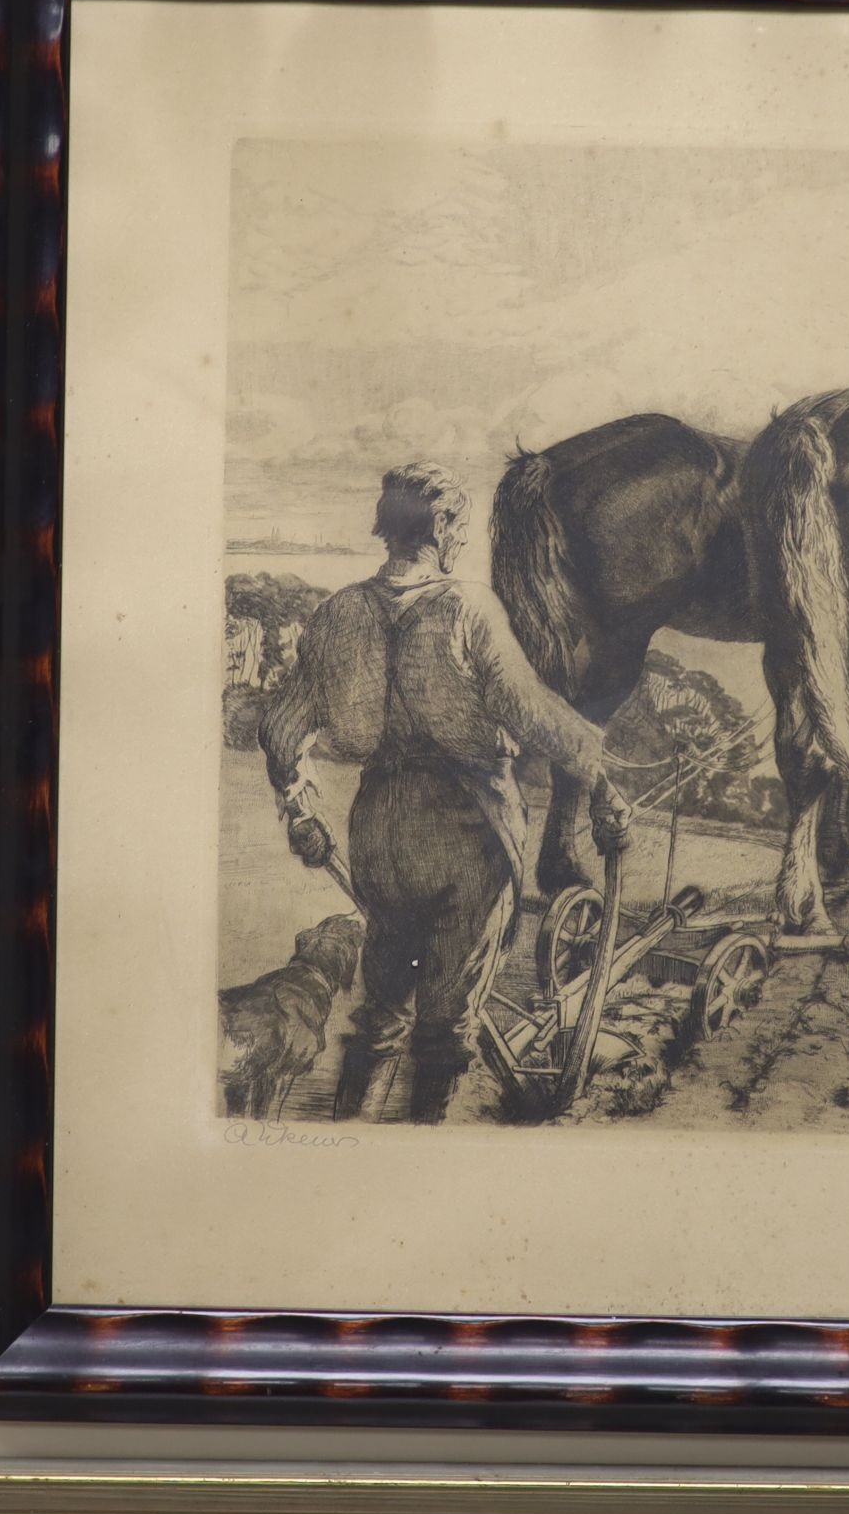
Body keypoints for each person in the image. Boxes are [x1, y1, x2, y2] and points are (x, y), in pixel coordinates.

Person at [261, 462, 633, 1122]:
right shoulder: (468, 607)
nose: (461, 539)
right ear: (442, 528)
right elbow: (533, 712)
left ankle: (351, 1135)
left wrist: (299, 811)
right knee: (446, 1026)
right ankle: (427, 1155)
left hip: (379, 828)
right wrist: (601, 782)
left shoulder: (340, 611)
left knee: (382, 1009)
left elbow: (282, 728)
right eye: (458, 525)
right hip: (468, 833)